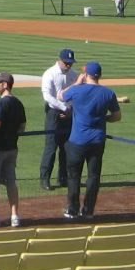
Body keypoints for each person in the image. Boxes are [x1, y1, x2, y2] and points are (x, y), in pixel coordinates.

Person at [60, 61, 122, 221]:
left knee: (74, 176)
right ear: (99, 75)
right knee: (93, 176)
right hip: (97, 140)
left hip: (77, 141)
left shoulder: (77, 90)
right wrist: (103, 118)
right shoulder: (108, 93)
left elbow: (60, 96)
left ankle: (72, 209)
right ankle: (88, 210)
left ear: (86, 75)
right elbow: (117, 116)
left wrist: (77, 83)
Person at [0, 72, 27, 228]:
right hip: (11, 148)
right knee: (11, 182)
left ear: (5, 85)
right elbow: (22, 127)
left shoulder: (0, 104)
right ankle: (15, 215)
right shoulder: (18, 103)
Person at [38, 49, 77, 192]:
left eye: (70, 64)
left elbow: (76, 94)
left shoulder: (74, 75)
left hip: (68, 113)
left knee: (66, 148)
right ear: (60, 60)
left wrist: (70, 110)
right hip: (53, 113)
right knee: (51, 147)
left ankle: (63, 177)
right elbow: (47, 96)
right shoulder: (50, 74)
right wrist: (63, 107)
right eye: (66, 63)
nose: (68, 66)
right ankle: (44, 178)